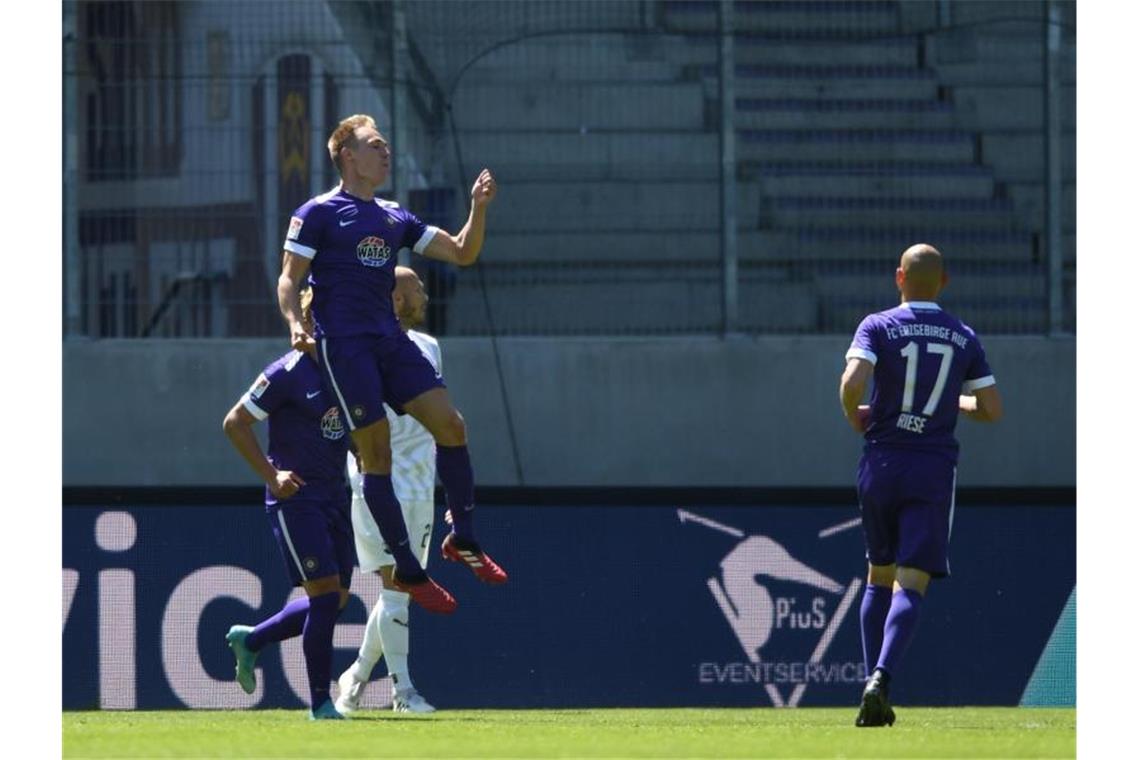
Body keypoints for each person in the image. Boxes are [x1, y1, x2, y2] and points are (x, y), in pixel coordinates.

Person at [276, 114, 508, 616]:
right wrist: (297, 323)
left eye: (384, 145)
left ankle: (462, 538)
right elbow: (288, 279)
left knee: (452, 426)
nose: (385, 152)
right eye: (375, 144)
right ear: (347, 156)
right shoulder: (317, 213)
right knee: (374, 456)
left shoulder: (393, 215)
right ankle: (406, 565)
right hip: (345, 347)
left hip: (387, 339)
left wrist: (477, 207)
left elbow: (464, 252)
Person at [839, 243, 1003, 727]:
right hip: (930, 468)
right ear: (944, 283)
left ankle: (870, 684)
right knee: (912, 581)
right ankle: (882, 679)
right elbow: (992, 409)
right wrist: (958, 406)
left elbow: (852, 383)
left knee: (878, 574)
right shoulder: (962, 336)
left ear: (899, 278)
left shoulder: (877, 325)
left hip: (882, 462)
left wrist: (856, 416)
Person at [221, 286, 354, 720]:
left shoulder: (348, 370)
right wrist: (271, 475)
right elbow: (235, 422)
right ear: (314, 322)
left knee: (337, 599)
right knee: (322, 597)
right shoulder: (286, 372)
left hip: (337, 494)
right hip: (297, 497)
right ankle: (320, 703)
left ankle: (252, 640)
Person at [336, 267, 441, 715]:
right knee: (398, 587)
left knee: (396, 591)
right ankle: (403, 691)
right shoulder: (360, 351)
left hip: (422, 483)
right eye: (416, 287)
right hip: (379, 481)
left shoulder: (432, 347)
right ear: (395, 300)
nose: (424, 294)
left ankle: (356, 677)